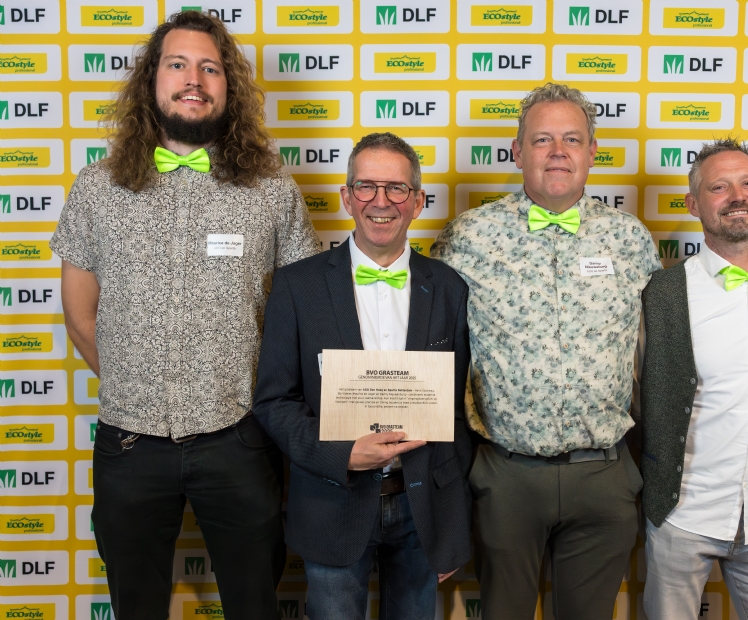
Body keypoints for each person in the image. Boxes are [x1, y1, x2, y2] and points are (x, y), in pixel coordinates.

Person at [50, 10, 319, 619]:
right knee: (136, 607)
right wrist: (135, 383)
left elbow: (302, 311)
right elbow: (80, 316)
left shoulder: (272, 189)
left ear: (229, 86)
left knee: (254, 604)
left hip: (240, 438)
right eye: (177, 64)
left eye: (209, 67)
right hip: (128, 443)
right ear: (152, 79)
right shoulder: (97, 187)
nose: (193, 79)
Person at [431, 83, 662, 618]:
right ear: (517, 151)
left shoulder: (630, 239)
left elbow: (658, 357)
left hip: (604, 475)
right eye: (542, 139)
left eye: (572, 139)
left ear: (592, 152)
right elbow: (431, 343)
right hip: (506, 475)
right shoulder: (468, 236)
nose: (558, 151)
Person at [252, 132, 472, 620]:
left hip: (422, 511)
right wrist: (341, 454)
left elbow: (459, 414)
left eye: (396, 188)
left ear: (418, 201)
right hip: (332, 502)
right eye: (367, 186)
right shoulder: (297, 286)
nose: (381, 201)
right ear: (347, 197)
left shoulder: (450, 288)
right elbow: (273, 402)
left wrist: (451, 527)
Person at [638, 138, 748, 619]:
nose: (738, 196)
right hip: (682, 515)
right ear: (693, 204)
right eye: (719, 187)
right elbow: (638, 394)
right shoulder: (663, 291)